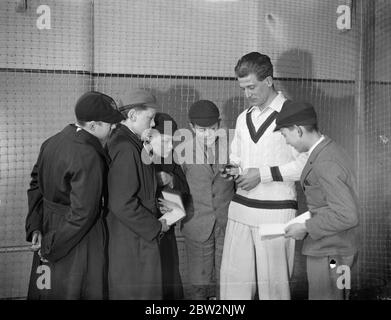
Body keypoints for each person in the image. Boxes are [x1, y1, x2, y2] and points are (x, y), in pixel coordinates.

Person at [219, 52, 308, 300]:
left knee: (275, 289)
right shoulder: (242, 117)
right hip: (240, 210)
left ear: (268, 80)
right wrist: (232, 169)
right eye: (243, 88)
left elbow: (305, 164)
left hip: (276, 214)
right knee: (233, 286)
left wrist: (263, 174)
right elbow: (236, 157)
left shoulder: (293, 112)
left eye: (252, 87)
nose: (247, 94)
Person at [25, 91, 124, 299]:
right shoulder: (88, 154)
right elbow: (83, 213)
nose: (114, 127)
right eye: (110, 123)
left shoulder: (52, 142)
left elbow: (35, 186)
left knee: (46, 287)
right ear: (94, 125)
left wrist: (35, 225)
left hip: (48, 228)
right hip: (75, 239)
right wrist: (50, 247)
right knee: (74, 290)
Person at [274, 100, 359, 300]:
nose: (287, 141)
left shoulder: (326, 161)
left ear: (298, 130)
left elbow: (347, 215)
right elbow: (327, 203)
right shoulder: (327, 151)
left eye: (285, 134)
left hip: (330, 253)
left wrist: (306, 227)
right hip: (335, 249)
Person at [106, 89, 169, 300]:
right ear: (132, 115)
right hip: (133, 237)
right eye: (149, 118)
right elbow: (122, 203)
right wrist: (156, 226)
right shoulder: (126, 147)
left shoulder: (129, 142)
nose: (152, 125)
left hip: (133, 234)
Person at [180, 100, 235, 300]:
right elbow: (174, 188)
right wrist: (173, 219)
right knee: (198, 283)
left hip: (226, 223)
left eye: (212, 129)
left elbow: (237, 184)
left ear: (219, 125)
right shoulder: (182, 151)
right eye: (201, 130)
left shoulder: (231, 149)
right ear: (191, 127)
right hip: (196, 223)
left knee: (227, 280)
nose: (207, 134)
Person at [151, 112, 189, 300]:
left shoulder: (168, 158)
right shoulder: (134, 155)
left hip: (167, 232)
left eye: (171, 141)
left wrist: (171, 180)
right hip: (145, 232)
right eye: (164, 141)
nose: (169, 146)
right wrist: (153, 181)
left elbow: (186, 190)